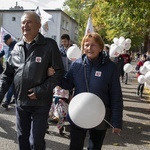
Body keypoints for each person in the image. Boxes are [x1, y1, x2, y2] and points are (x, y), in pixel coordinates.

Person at [0, 11, 64, 150]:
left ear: (38, 25)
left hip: (40, 103)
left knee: (35, 142)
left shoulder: (49, 45)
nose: (25, 25)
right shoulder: (17, 47)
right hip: (21, 102)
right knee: (22, 139)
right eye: (23, 22)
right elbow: (7, 75)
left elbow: (59, 72)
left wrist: (40, 91)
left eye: (29, 22)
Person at [55, 32, 123, 150]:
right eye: (86, 45)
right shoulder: (77, 65)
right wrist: (55, 76)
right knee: (75, 146)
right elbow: (68, 84)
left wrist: (116, 122)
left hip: (100, 115)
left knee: (94, 147)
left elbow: (116, 95)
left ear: (100, 47)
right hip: (78, 112)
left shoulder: (110, 67)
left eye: (93, 45)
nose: (89, 48)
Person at [0, 34, 17, 109]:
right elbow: (1, 53)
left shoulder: (17, 46)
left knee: (11, 86)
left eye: (6, 41)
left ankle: (7, 101)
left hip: (15, 69)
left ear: (10, 39)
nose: (5, 43)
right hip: (6, 69)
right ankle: (12, 99)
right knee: (5, 86)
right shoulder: (5, 47)